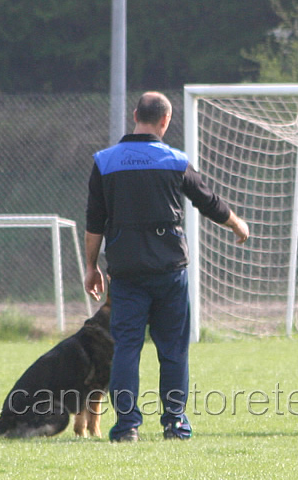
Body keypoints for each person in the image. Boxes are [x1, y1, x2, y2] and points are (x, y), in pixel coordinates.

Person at [84, 91, 249, 442]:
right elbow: (208, 201)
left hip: (126, 273)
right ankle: (174, 422)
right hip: (169, 270)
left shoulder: (105, 161)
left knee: (127, 347)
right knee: (172, 348)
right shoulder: (175, 160)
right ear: (165, 120)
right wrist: (237, 223)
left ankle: (126, 426)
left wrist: (91, 265)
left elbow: (94, 220)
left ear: (134, 115)